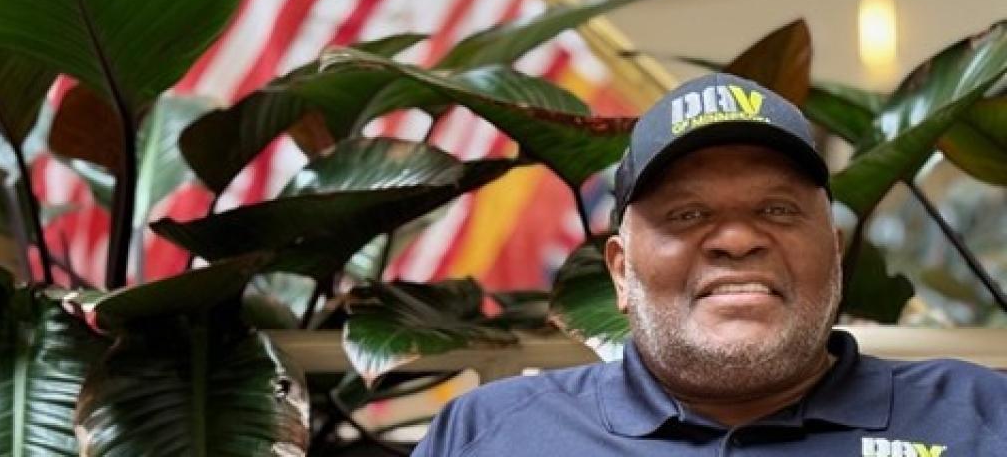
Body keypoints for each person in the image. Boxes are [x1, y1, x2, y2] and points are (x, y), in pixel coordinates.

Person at [411, 73, 1007, 456]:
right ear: (620, 272)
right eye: (688, 215)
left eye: (776, 208)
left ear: (834, 250)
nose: (738, 240)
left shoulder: (980, 417)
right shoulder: (488, 435)